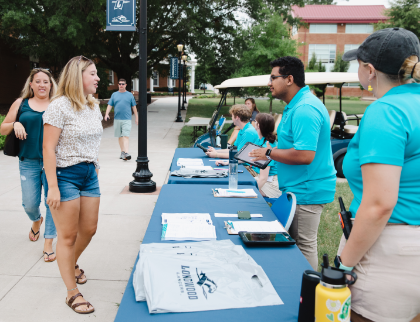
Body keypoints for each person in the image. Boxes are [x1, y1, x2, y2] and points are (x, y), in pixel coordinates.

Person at [335, 28, 420, 322]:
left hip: (390, 253)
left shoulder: (387, 111)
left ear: (370, 71)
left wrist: (343, 266)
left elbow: (379, 204)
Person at [249, 56, 336, 270]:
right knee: (295, 244)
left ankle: (306, 294)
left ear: (289, 79)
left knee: (304, 247)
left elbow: (305, 155)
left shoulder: (305, 109)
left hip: (307, 188)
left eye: (273, 78)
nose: (269, 83)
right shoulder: (294, 106)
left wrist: (269, 151)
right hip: (296, 187)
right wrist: (268, 155)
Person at [43, 55, 102, 314]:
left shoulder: (92, 105)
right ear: (78, 76)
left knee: (89, 229)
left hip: (89, 174)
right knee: (67, 237)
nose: (98, 78)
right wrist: (53, 186)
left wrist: (95, 164)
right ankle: (71, 293)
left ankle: (71, 263)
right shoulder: (59, 106)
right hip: (65, 176)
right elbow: (48, 147)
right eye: (92, 73)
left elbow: (94, 139)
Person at [0, 68, 58, 262]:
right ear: (31, 84)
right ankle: (36, 220)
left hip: (54, 162)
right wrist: (15, 124)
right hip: (29, 162)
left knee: (52, 203)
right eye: (38, 81)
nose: (42, 85)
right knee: (30, 203)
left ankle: (48, 242)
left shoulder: (58, 104)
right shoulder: (21, 103)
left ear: (51, 85)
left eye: (46, 81)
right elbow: (2, 129)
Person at [217, 113, 281, 198]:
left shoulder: (267, 147)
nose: (253, 123)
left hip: (271, 185)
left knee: (239, 190)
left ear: (258, 125)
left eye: (255, 121)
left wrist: (249, 193)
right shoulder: (261, 140)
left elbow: (263, 179)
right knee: (238, 185)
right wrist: (227, 163)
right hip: (264, 180)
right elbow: (247, 157)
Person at [104, 78, 138, 161]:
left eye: (123, 84)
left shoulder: (130, 95)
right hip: (117, 119)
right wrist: (106, 114)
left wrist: (137, 118)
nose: (121, 85)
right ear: (118, 85)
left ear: (126, 85)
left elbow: (134, 106)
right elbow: (110, 105)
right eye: (120, 84)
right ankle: (122, 152)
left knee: (125, 135)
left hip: (127, 119)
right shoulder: (114, 95)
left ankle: (126, 152)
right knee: (119, 136)